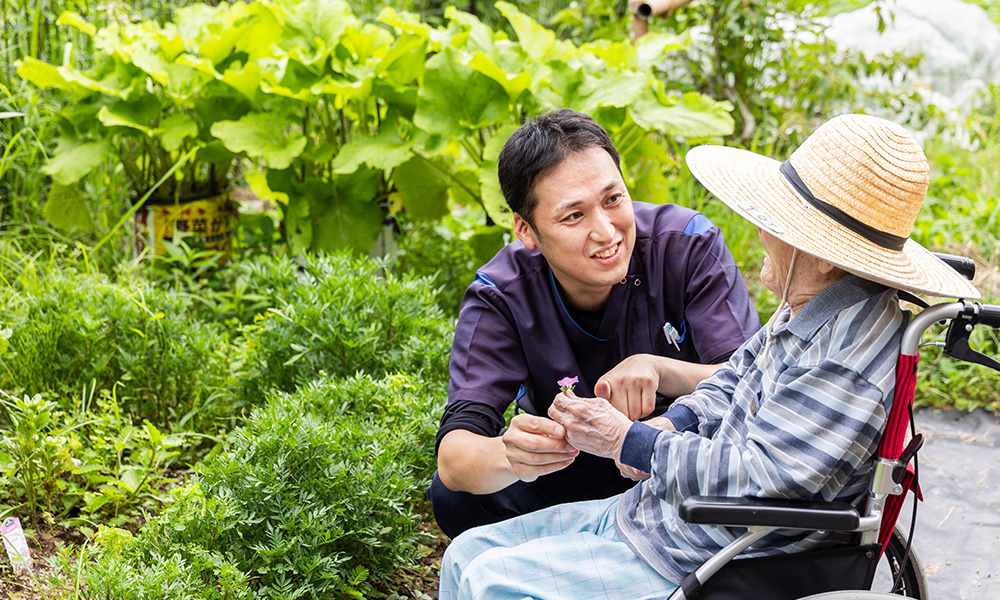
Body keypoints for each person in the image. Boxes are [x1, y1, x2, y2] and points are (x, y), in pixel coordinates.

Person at [438, 113, 981, 598]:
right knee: (466, 554)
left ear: (818, 251)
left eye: (777, 222)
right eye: (574, 215)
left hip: (712, 549)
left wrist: (630, 439)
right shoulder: (805, 309)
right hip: (660, 513)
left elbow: (768, 477)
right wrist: (666, 424)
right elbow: (731, 381)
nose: (762, 230)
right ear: (527, 230)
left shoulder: (847, 352)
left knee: (492, 581)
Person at [429, 109, 762, 538]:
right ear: (526, 231)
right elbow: (455, 456)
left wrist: (660, 368)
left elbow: (754, 383)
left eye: (613, 200)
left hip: (673, 455)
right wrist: (513, 457)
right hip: (565, 472)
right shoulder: (503, 294)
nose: (606, 232)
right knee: (455, 497)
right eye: (574, 216)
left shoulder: (687, 245)